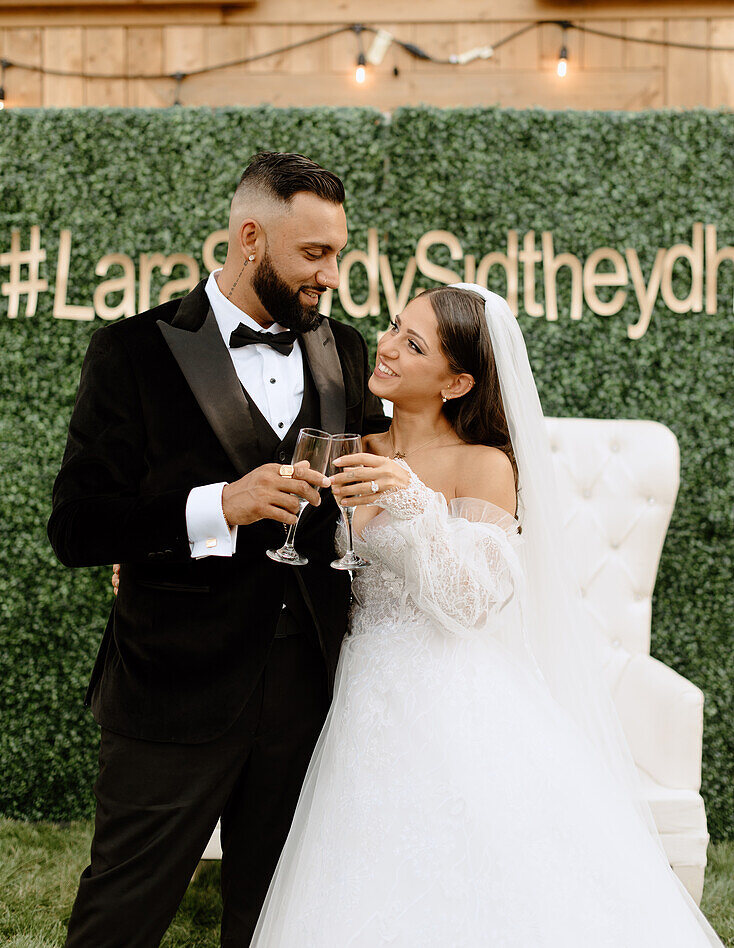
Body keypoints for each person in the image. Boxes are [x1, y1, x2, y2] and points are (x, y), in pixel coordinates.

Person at [249, 284, 723, 946]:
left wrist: (413, 500)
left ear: (457, 381)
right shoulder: (351, 441)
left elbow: (469, 604)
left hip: (448, 688)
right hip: (358, 679)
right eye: (392, 326)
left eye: (412, 345)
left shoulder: (485, 465)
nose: (384, 346)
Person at [47, 151, 388, 947]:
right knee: (122, 912)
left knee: (275, 916)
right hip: (172, 684)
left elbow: (366, 494)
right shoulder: (131, 351)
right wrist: (218, 507)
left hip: (308, 684)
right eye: (314, 254)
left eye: (337, 252)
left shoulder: (346, 348)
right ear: (250, 239)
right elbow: (79, 527)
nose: (331, 274)